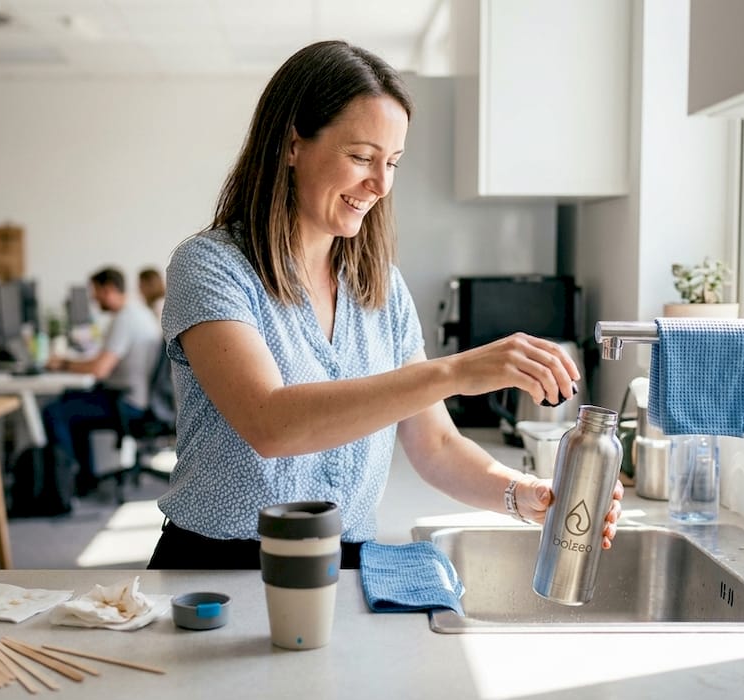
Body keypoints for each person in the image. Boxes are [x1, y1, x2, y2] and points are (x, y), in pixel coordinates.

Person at [148, 41, 622, 570]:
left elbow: (436, 444)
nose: (380, 184)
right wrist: (456, 371)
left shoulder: (379, 285)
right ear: (291, 145)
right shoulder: (211, 266)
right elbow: (271, 425)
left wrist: (524, 493)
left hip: (343, 566)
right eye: (361, 157)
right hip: (218, 568)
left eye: (392, 162)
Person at [42, 267, 162, 495]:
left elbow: (99, 369)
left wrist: (64, 363)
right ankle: (84, 478)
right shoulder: (139, 312)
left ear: (108, 290)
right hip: (139, 397)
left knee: (55, 412)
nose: (93, 299)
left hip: (127, 402)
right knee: (69, 399)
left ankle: (66, 485)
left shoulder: (125, 319)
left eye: (95, 292)